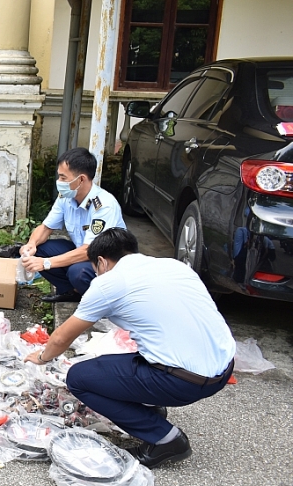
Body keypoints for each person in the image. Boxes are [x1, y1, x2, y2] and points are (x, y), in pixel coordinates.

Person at [24, 228, 236, 468]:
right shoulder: (175, 266)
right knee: (123, 359)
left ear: (101, 262)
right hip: (224, 368)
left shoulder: (109, 283)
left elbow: (62, 338)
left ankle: (166, 439)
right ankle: (150, 407)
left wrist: (42, 357)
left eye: (94, 269)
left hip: (185, 381)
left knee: (79, 378)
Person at [19, 147, 126, 303]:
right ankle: (72, 292)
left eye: (63, 178)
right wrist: (31, 244)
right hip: (84, 252)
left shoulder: (104, 206)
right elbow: (46, 227)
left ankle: (101, 301)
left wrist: (46, 263)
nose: (59, 182)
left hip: (109, 263)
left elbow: (89, 251)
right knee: (40, 250)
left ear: (81, 179)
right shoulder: (66, 198)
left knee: (79, 272)